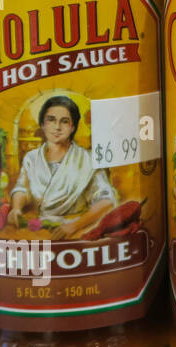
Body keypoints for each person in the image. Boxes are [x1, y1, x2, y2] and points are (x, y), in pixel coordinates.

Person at [9, 95, 118, 240]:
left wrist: (73, 226)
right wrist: (16, 208)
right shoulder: (32, 158)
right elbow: (22, 189)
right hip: (39, 230)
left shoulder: (87, 160)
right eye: (51, 120)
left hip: (77, 231)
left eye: (64, 121)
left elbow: (107, 200)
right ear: (43, 124)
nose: (57, 127)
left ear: (72, 127)